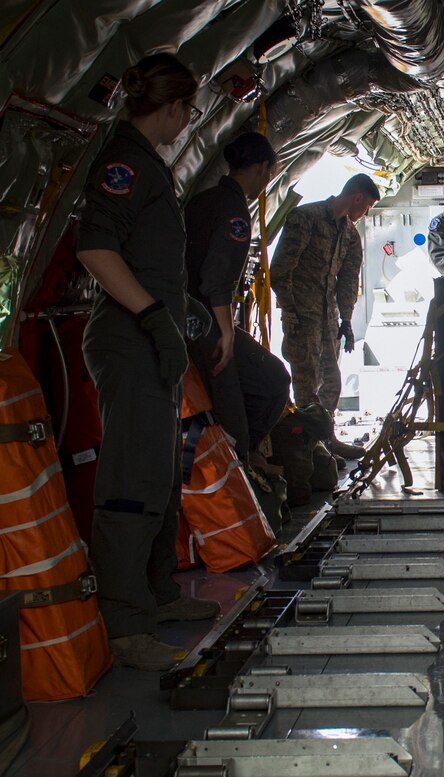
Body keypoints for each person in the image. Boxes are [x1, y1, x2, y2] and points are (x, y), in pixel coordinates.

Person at [76, 52, 220, 672]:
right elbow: (96, 248)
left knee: (160, 475)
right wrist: (152, 315)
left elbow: (149, 258)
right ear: (169, 107)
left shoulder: (151, 167)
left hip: (151, 341)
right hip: (129, 339)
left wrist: (179, 309)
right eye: (187, 108)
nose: (188, 120)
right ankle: (124, 621)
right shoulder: (124, 165)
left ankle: (156, 592)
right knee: (132, 482)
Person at [185, 132, 290, 464]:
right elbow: (215, 279)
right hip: (206, 326)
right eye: (269, 173)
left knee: (266, 380)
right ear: (260, 168)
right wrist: (227, 333)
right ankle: (240, 466)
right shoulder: (234, 212)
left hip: (186, 319)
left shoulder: (202, 201)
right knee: (258, 394)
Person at [269, 174, 379, 459]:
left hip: (327, 318)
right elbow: (281, 268)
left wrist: (346, 320)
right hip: (301, 316)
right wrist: (288, 308)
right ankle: (309, 450)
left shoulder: (350, 234)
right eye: (366, 206)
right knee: (305, 383)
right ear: (357, 198)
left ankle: (325, 440)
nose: (365, 213)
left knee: (331, 382)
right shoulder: (306, 218)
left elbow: (348, 280)